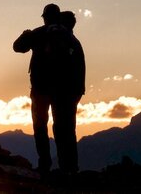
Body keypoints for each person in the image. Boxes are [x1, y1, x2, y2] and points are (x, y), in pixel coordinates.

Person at [13, 3, 63, 174]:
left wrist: (25, 35)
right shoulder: (67, 35)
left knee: (40, 127)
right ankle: (65, 166)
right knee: (61, 127)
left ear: (45, 18)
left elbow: (17, 47)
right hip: (61, 89)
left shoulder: (38, 33)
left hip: (40, 88)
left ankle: (44, 164)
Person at [53, 10, 86, 174]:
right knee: (67, 128)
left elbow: (64, 65)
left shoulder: (67, 41)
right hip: (72, 91)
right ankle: (69, 167)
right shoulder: (73, 41)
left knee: (62, 129)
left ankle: (67, 168)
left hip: (65, 92)